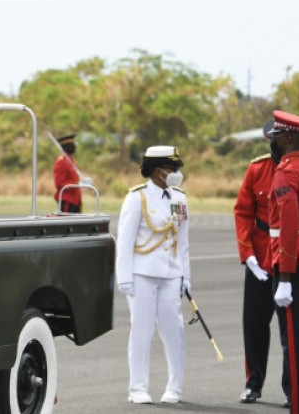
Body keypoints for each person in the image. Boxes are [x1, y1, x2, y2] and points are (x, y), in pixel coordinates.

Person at [116, 146, 190, 404]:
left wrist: (185, 277)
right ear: (157, 170)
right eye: (171, 168)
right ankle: (137, 388)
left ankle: (175, 388)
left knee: (174, 330)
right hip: (142, 274)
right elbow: (124, 240)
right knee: (142, 331)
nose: (175, 173)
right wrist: (124, 277)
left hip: (171, 274)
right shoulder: (137, 197)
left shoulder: (180, 198)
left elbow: (183, 241)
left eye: (175, 168)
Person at [233, 119, 290, 404]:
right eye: (274, 139)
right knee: (254, 325)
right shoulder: (257, 169)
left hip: (288, 260)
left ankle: (293, 389)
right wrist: (248, 255)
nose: (277, 144)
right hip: (260, 259)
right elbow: (243, 211)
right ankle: (253, 383)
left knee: (290, 329)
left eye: (281, 139)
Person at [268, 110, 299, 413]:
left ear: (289, 138)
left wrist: (284, 278)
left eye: (278, 135)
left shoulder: (286, 173)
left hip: (295, 266)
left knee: (295, 345)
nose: (274, 140)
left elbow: (290, 225)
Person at [53, 133, 82, 213]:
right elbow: (59, 183)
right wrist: (75, 185)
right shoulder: (61, 161)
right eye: (73, 144)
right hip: (67, 199)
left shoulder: (70, 159)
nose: (75, 146)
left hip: (75, 199)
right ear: (68, 146)